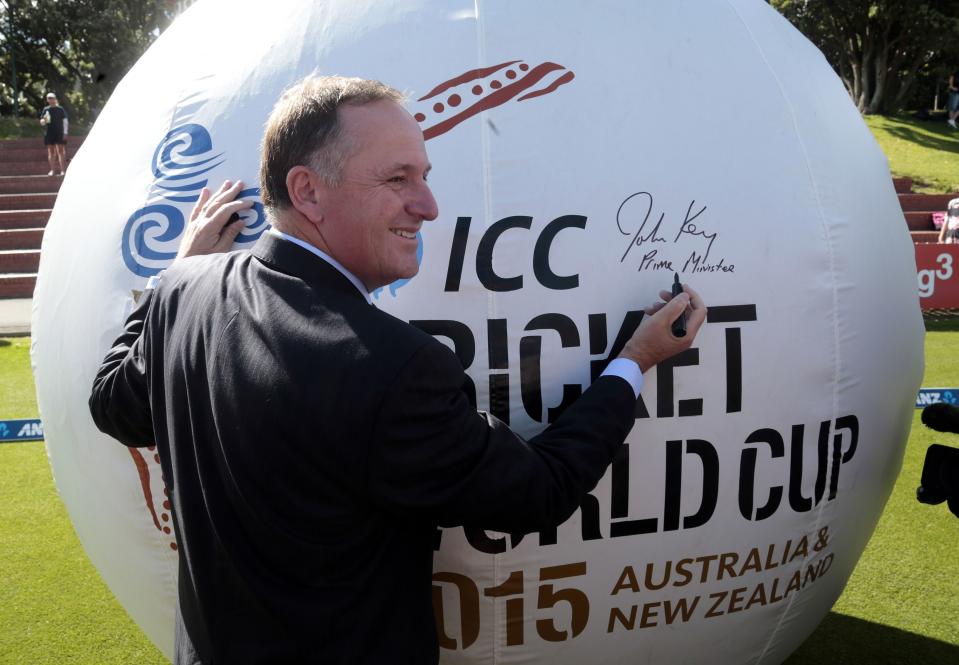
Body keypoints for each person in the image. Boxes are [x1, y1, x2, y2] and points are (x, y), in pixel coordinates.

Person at [89, 75, 707, 664]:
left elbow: (110, 404)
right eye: (397, 178)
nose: (429, 206)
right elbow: (540, 492)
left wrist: (175, 270)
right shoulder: (393, 368)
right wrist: (635, 360)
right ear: (306, 191)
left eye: (425, 176)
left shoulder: (183, 291)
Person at [39, 92, 68, 175]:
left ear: (55, 99)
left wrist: (65, 132)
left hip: (59, 132)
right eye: (49, 98)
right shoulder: (46, 109)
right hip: (49, 133)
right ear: (47, 100)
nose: (51, 100)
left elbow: (65, 121)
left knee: (61, 151)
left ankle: (63, 170)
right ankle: (52, 170)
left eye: (52, 98)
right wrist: (43, 121)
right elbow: (42, 121)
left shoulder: (60, 109)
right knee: (51, 152)